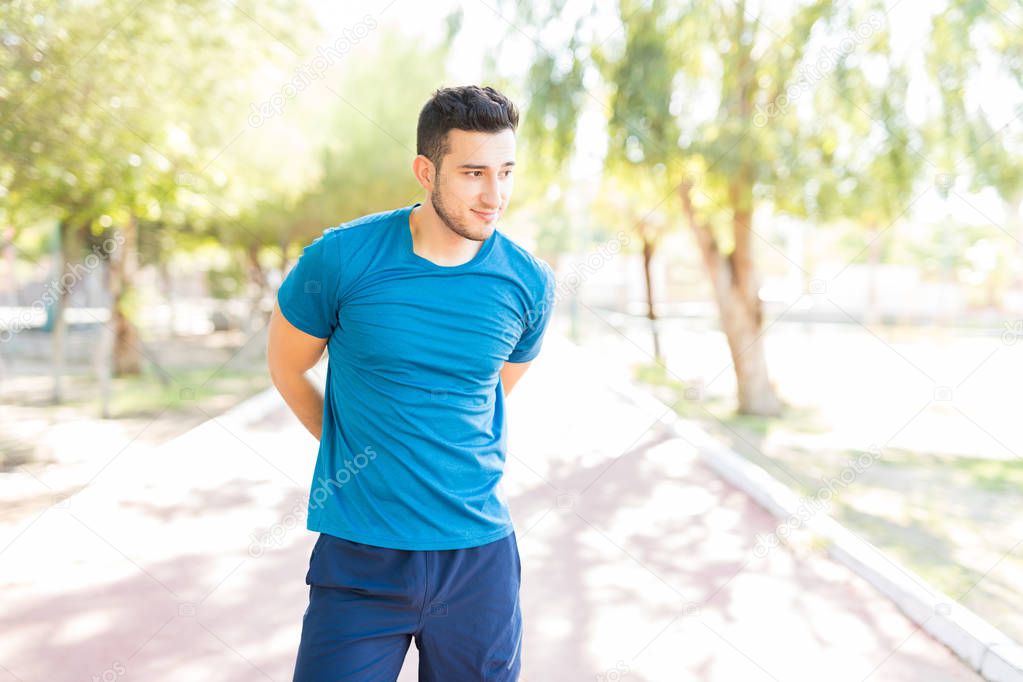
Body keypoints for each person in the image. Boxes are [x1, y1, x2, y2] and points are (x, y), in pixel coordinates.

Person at [267, 85, 556, 682]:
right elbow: (287, 366)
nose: (494, 195)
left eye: (506, 172)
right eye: (474, 173)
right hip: (359, 557)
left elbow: (488, 394)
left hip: (479, 562)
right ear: (426, 170)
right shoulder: (341, 258)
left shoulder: (528, 284)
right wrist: (350, 445)